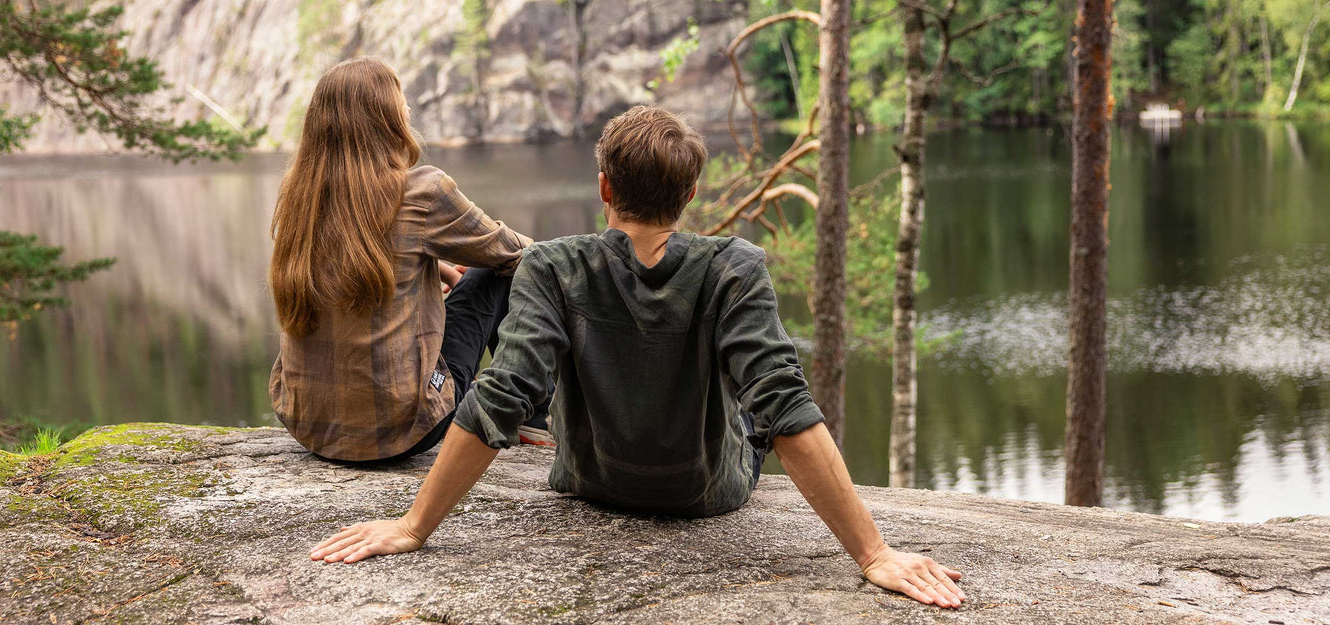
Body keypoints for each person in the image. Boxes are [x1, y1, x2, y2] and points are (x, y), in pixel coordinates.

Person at [308, 106, 967, 608]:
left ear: (604, 187)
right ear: (687, 196)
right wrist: (873, 553)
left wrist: (413, 526)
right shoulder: (733, 266)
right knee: (758, 404)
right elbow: (787, 408)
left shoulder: (550, 264)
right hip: (707, 493)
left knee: (540, 377)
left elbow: (502, 394)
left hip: (590, 480)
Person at [267, 57, 551, 464]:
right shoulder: (422, 191)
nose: (409, 110)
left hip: (308, 425)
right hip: (405, 426)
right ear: (383, 117)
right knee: (500, 274)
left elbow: (362, 259)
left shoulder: (301, 196)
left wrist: (442, 267)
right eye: (401, 100)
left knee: (479, 272)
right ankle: (534, 415)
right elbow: (520, 253)